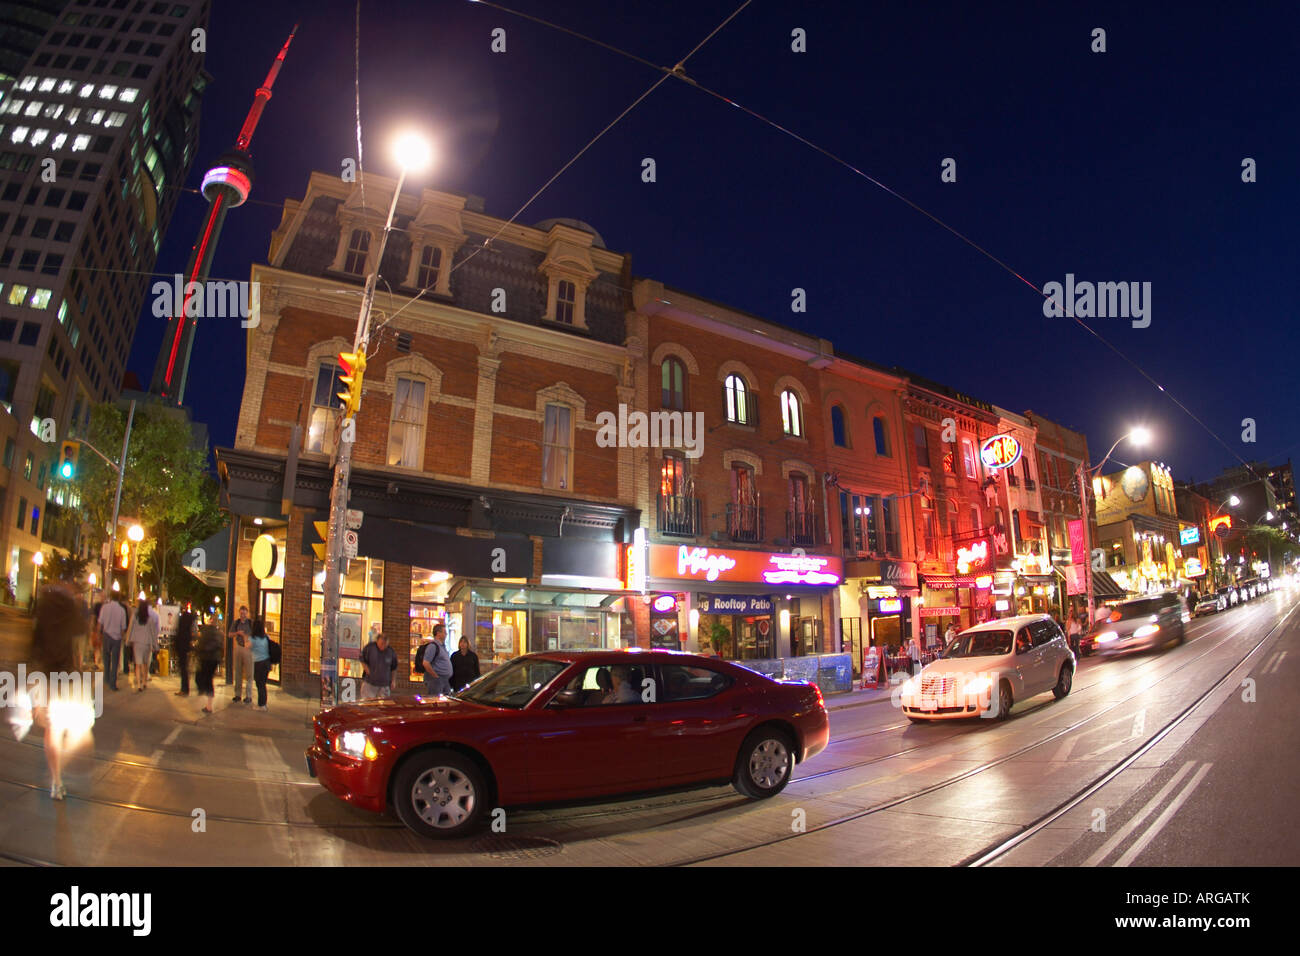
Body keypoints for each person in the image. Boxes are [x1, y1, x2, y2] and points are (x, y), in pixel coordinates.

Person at [26, 584, 91, 800]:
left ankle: (56, 780)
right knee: (70, 731)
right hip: (66, 677)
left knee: (52, 730)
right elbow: (80, 643)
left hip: (45, 676)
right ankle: (58, 773)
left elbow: (33, 649)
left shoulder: (43, 612)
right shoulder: (71, 613)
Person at [126, 597, 160, 691]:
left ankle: (139, 685)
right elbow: (153, 633)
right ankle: (144, 682)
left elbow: (130, 628)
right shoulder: (149, 619)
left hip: (137, 643)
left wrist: (128, 640)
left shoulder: (135, 617)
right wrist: (155, 645)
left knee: (138, 664)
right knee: (145, 664)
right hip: (147, 643)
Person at [97, 593, 127, 692]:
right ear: (118, 598)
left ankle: (106, 679)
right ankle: (113, 684)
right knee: (115, 662)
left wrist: (98, 635)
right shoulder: (122, 610)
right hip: (117, 638)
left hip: (106, 636)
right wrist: (123, 638)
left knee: (106, 659)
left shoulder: (104, 608)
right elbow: (123, 627)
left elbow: (100, 623)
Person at [195, 620, 224, 714]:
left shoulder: (205, 633)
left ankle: (208, 704)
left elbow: (200, 645)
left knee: (204, 678)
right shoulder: (219, 634)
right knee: (209, 679)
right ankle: (209, 704)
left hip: (206, 658)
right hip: (214, 659)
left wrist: (198, 653)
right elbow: (220, 647)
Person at [360, 629, 397, 699]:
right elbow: (362, 659)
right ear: (377, 641)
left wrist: (393, 680)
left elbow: (394, 668)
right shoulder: (370, 648)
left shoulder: (390, 652)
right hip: (370, 683)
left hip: (384, 684)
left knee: (383, 705)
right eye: (381, 644)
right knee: (368, 703)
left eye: (385, 644)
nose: (383, 646)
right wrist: (367, 669)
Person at [229, 605, 253, 704]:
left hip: (248, 649)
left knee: (249, 673)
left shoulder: (251, 623)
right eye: (241, 613)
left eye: (244, 613)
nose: (243, 615)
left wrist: (246, 636)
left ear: (247, 613)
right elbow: (229, 634)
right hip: (238, 647)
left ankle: (248, 696)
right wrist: (237, 633)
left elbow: (255, 635)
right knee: (238, 671)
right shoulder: (236, 623)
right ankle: (237, 694)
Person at [421, 623, 453, 695]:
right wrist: (435, 676)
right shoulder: (433, 646)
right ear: (438, 633)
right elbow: (426, 663)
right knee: (436, 700)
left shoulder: (442, 646)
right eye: (444, 632)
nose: (446, 634)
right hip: (436, 680)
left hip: (444, 679)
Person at [249, 618, 272, 710]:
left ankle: (261, 705)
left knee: (260, 684)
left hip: (258, 663)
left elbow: (248, 647)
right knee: (263, 683)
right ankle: (263, 704)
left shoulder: (253, 638)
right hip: (266, 663)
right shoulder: (266, 637)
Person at [174, 605, 196, 697]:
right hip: (186, 647)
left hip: (181, 647)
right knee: (185, 669)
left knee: (183, 669)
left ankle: (184, 689)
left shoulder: (182, 627)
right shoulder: (189, 628)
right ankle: (185, 689)